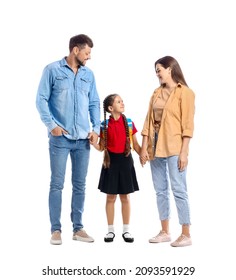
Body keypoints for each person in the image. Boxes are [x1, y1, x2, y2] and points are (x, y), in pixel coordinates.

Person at [36, 34, 100, 245]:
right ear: (75, 50)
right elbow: (41, 100)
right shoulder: (52, 70)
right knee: (57, 184)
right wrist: (52, 125)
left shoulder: (88, 75)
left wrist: (96, 129)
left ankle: (78, 228)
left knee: (80, 185)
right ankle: (56, 230)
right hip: (60, 139)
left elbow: (94, 103)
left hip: (83, 140)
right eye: (87, 52)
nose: (89, 57)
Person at [140, 56, 195, 247]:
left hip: (174, 146)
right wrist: (143, 148)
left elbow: (188, 126)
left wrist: (184, 152)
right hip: (155, 147)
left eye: (159, 69)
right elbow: (147, 122)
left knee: (179, 189)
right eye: (155, 70)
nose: (157, 73)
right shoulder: (156, 93)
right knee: (160, 191)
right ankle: (165, 231)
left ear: (170, 69)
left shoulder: (185, 93)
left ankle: (186, 233)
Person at [91, 94, 141, 243]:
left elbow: (136, 145)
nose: (122, 103)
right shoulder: (104, 125)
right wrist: (93, 143)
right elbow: (101, 147)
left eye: (122, 101)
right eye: (119, 101)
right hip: (110, 163)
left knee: (125, 197)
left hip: (126, 162)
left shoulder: (130, 123)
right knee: (110, 197)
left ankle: (126, 230)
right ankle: (110, 231)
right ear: (110, 108)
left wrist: (143, 155)